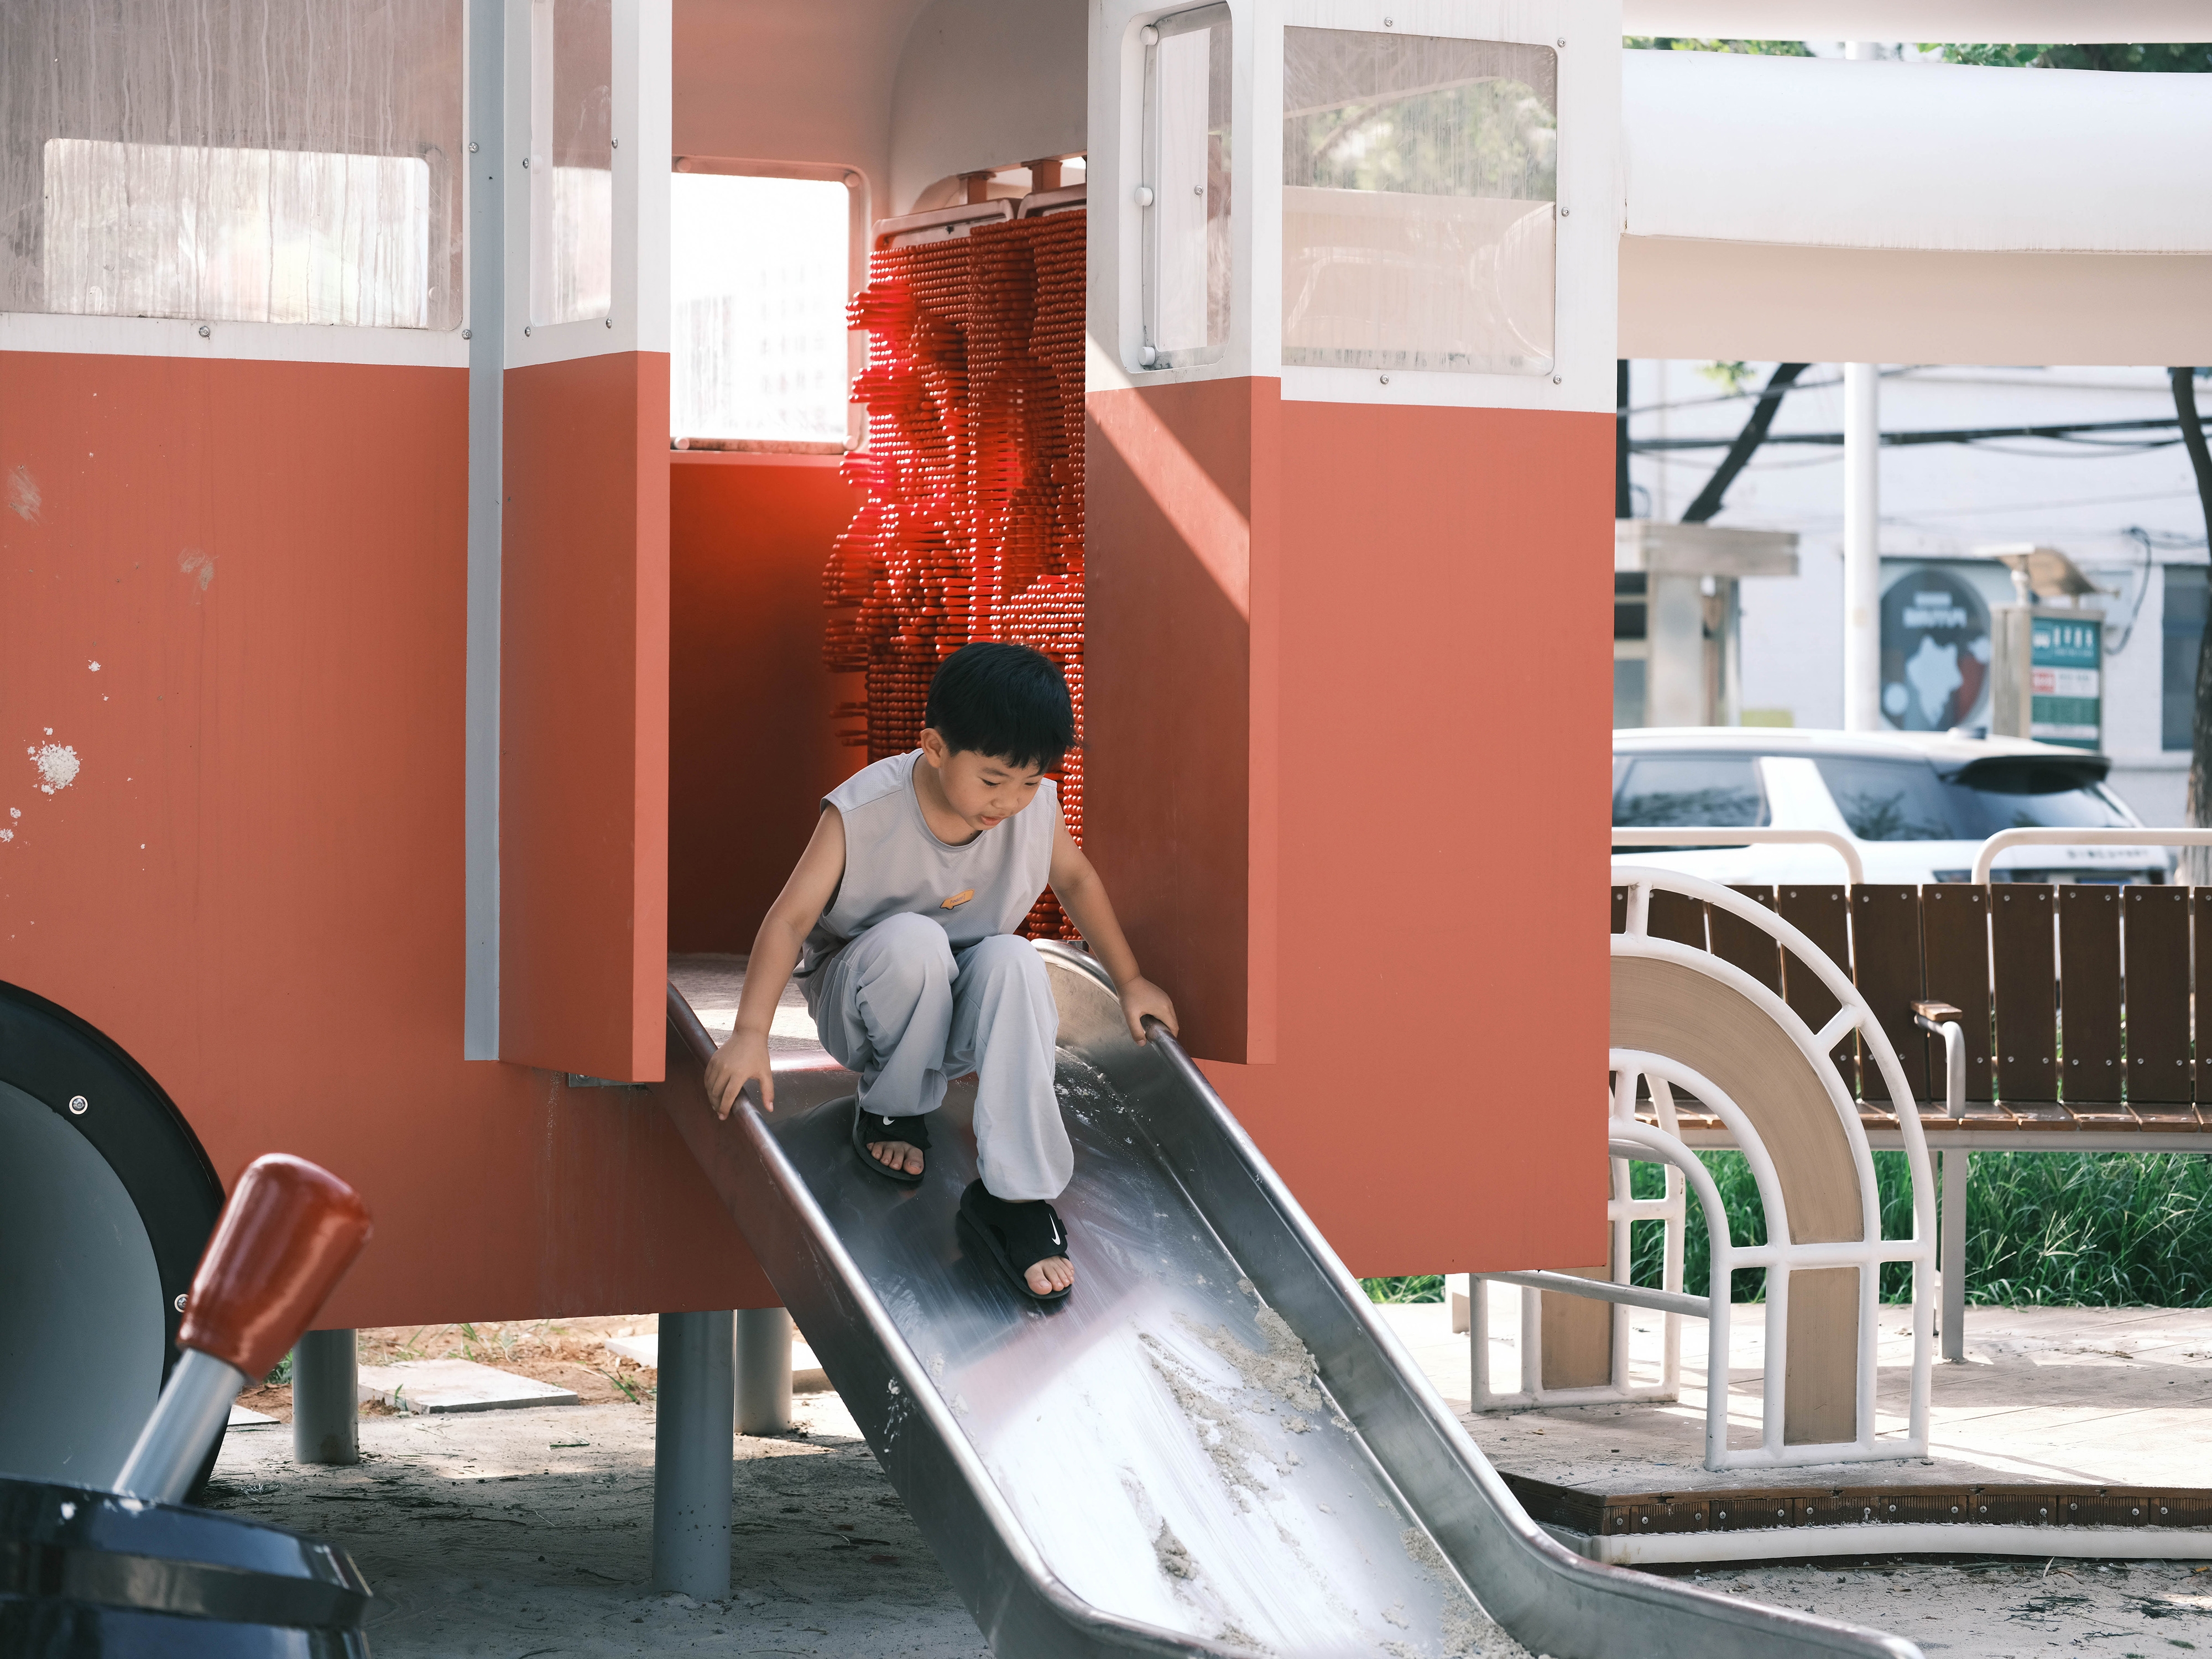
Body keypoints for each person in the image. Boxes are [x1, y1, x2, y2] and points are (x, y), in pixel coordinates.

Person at [703, 641, 1177, 1302]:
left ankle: (1016, 1197)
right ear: (933, 747)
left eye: (1030, 782)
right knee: (914, 941)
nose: (1010, 801)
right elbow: (789, 919)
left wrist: (1129, 980)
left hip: (958, 1012)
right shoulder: (863, 812)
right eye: (992, 780)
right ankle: (893, 1111)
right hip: (867, 1006)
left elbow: (1075, 879)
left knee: (1016, 958)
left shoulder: (1031, 810)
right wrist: (750, 1033)